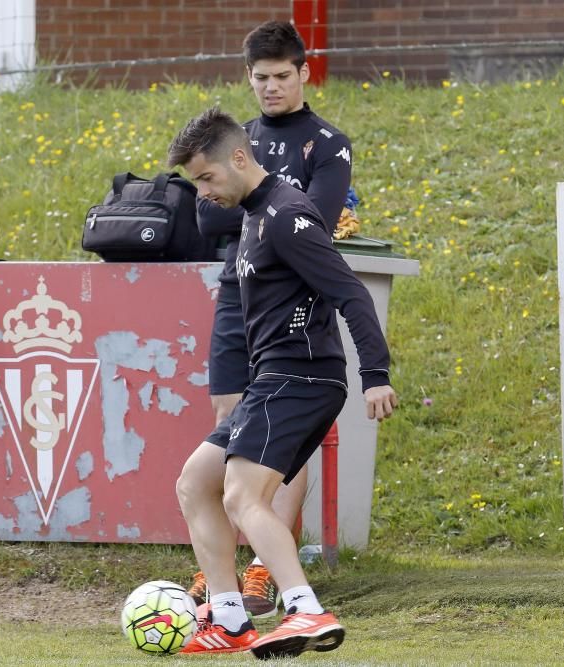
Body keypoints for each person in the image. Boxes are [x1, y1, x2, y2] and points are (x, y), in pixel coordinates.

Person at [168, 107, 397, 657]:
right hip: (272, 378)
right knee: (196, 482)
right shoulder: (252, 214)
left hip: (302, 376)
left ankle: (305, 610)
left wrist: (375, 374)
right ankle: (228, 619)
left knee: (243, 497)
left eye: (207, 177)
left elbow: (351, 293)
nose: (203, 192)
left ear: (240, 158)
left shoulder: (287, 215)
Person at [186, 20, 353, 619]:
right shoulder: (240, 139)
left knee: (280, 442)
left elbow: (316, 219)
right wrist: (260, 206)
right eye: (261, 78)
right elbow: (208, 222)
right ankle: (224, 579)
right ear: (248, 78)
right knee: (230, 426)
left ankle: (266, 569)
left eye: (283, 76)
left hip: (293, 299)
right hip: (237, 293)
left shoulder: (327, 142)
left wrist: (265, 209)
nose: (272, 88)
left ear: (305, 73)